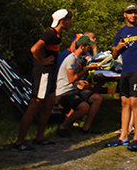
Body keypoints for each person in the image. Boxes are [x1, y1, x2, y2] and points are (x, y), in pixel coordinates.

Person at [12, 9, 72, 151]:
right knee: (34, 106)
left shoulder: (57, 35)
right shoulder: (49, 34)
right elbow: (35, 49)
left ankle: (39, 138)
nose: (70, 22)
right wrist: (43, 61)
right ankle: (19, 142)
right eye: (69, 19)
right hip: (43, 75)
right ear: (62, 21)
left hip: (49, 75)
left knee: (49, 105)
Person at [107, 4, 137, 152]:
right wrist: (118, 48)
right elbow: (114, 55)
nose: (133, 15)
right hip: (125, 70)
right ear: (125, 15)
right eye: (130, 13)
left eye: (135, 12)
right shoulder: (121, 32)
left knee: (135, 101)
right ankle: (123, 136)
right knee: (124, 102)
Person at [55, 35, 102, 136]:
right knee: (84, 107)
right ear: (81, 46)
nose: (89, 49)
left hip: (73, 88)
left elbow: (73, 77)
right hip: (64, 92)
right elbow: (71, 79)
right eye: (88, 47)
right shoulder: (70, 59)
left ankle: (86, 127)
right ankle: (62, 127)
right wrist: (86, 70)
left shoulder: (77, 58)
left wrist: (81, 82)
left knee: (97, 98)